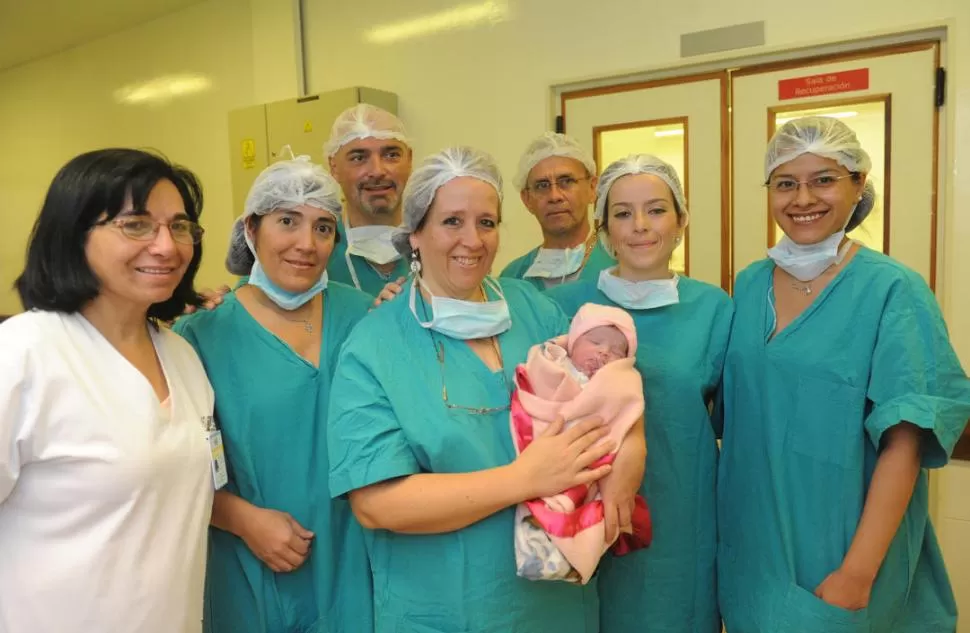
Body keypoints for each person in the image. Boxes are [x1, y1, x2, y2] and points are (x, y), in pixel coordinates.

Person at [327, 146, 646, 633]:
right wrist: (524, 478)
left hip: (556, 604)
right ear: (414, 233)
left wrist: (629, 455)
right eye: (451, 222)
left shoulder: (532, 309)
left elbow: (610, 387)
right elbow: (376, 504)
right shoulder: (374, 347)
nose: (472, 241)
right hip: (443, 609)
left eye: (487, 223)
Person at [717, 116, 970, 633]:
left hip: (845, 553)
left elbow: (907, 440)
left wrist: (857, 572)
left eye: (824, 179)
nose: (802, 197)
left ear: (859, 186)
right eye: (786, 183)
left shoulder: (893, 290)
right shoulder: (748, 285)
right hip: (755, 551)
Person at [0, 149, 214, 632]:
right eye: (135, 225)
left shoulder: (182, 357)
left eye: (180, 227)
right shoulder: (24, 354)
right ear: (73, 234)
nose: (167, 246)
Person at [173, 157, 374, 633]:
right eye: (287, 221)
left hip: (358, 561)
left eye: (323, 227)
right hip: (249, 565)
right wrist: (241, 519)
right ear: (250, 228)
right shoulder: (200, 335)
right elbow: (171, 465)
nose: (306, 244)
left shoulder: (368, 318)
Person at [546, 154, 733, 633]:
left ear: (681, 221)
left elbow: (733, 421)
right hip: (583, 516)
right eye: (623, 213)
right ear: (603, 227)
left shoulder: (713, 308)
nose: (640, 227)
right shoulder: (563, 307)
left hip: (679, 519)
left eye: (656, 210)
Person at [511, 303, 651, 585]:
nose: (603, 352)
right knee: (545, 500)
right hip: (544, 445)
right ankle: (541, 549)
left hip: (595, 460)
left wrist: (631, 439)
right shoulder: (550, 361)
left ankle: (572, 556)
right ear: (572, 342)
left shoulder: (620, 380)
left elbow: (625, 409)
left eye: (616, 351)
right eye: (595, 342)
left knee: (595, 504)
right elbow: (533, 392)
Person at [501, 133, 614, 289]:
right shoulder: (512, 278)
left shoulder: (621, 263)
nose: (554, 196)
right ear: (527, 199)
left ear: (592, 188)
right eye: (542, 185)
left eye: (566, 181)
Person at [325, 103, 412, 295]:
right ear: (334, 167)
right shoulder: (316, 251)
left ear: (410, 160)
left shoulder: (436, 244)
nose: (377, 171)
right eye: (359, 158)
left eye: (391, 155)